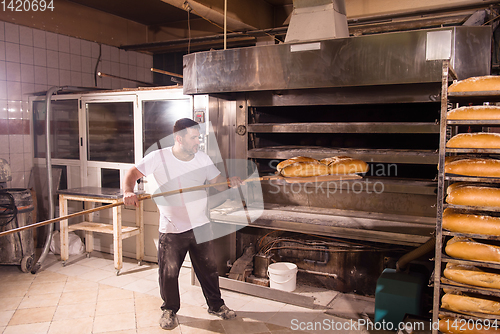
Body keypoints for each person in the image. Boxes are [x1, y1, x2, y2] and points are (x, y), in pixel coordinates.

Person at [123, 118, 242, 330]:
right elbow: (133, 173)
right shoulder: (159, 157)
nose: (198, 142)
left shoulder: (202, 158)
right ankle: (169, 310)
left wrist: (229, 182)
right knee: (169, 272)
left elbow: (217, 182)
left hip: (200, 225)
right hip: (172, 228)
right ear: (179, 138)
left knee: (209, 269)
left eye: (199, 137)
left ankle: (216, 305)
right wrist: (128, 191)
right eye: (193, 137)